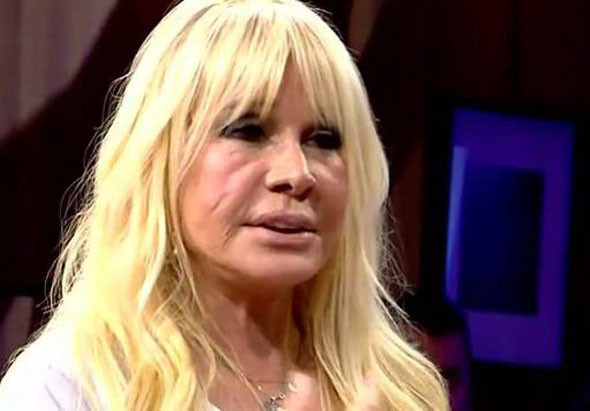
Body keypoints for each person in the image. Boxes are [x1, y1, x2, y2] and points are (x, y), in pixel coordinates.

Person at [0, 0, 448, 409]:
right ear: (159, 160)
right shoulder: (67, 387)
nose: (297, 173)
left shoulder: (399, 392)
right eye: (248, 131)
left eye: (324, 139)